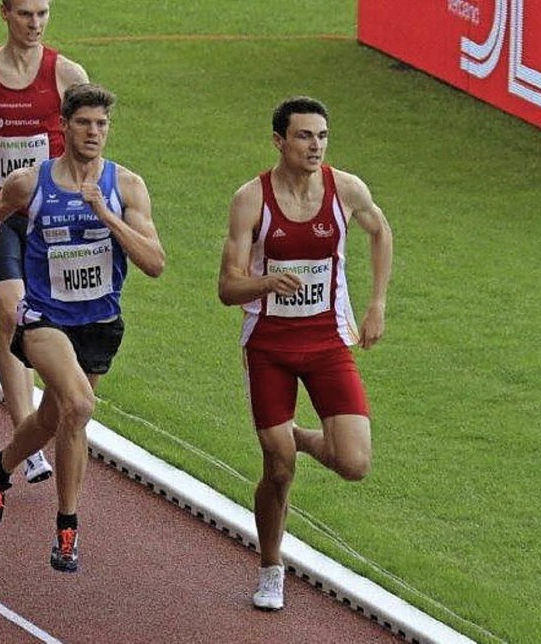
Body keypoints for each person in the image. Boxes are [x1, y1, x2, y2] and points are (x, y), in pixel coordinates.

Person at [0, 82, 166, 572]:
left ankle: (0, 465)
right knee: (79, 406)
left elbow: (155, 263)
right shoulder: (31, 183)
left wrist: (104, 214)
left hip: (100, 322)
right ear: (63, 127)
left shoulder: (126, 186)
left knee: (54, 419)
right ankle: (67, 529)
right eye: (84, 123)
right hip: (46, 320)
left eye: (102, 124)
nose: (94, 132)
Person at [218, 96, 393, 610]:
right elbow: (227, 289)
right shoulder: (251, 200)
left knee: (355, 462)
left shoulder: (346, 189)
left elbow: (380, 230)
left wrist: (377, 303)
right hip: (269, 346)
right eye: (303, 136)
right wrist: (264, 280)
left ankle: (291, 435)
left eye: (321, 136)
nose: (315, 146)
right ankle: (271, 566)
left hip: (327, 343)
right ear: (279, 141)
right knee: (278, 470)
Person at [0, 1, 89, 483]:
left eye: (43, 14)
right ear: (4, 14)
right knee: (12, 314)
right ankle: (26, 443)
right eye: (26, 14)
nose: (35, 24)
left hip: (46, 217)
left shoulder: (67, 74)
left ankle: (33, 428)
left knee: (44, 325)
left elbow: (92, 139)